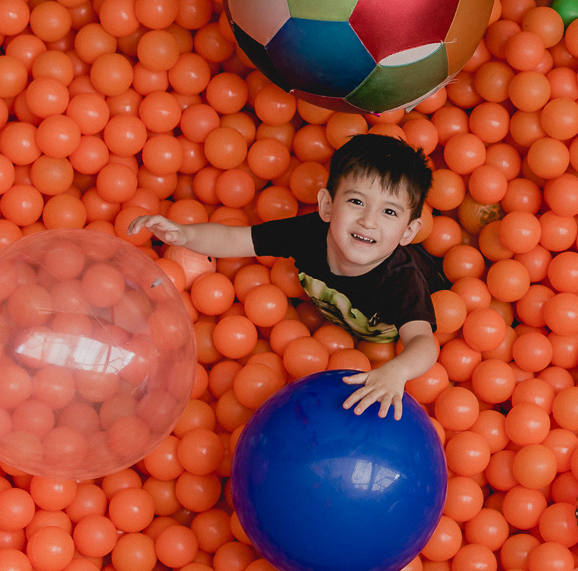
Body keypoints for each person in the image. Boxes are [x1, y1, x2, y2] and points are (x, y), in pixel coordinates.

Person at [128, 133, 448, 420]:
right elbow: (235, 239)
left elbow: (422, 342)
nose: (368, 221)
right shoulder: (307, 233)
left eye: (389, 212)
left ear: (408, 231)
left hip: (380, 344)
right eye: (356, 201)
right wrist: (183, 235)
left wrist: (397, 371)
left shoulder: (401, 279)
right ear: (326, 206)